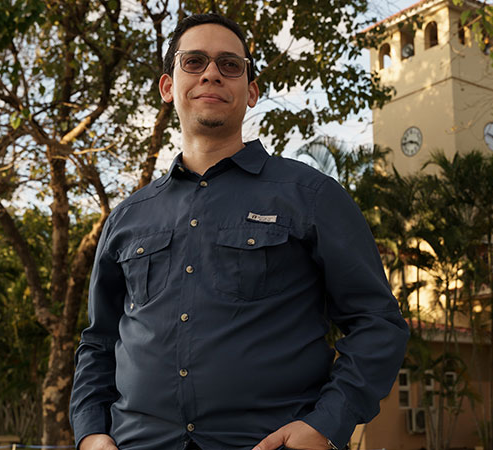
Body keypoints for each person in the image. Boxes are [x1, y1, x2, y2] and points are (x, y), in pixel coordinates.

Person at [69, 13, 410, 450]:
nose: (211, 73)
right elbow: (99, 341)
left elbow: (378, 323)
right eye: (194, 62)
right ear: (168, 86)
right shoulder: (127, 217)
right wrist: (90, 434)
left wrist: (327, 424)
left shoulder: (311, 196)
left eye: (230, 65)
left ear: (251, 92)